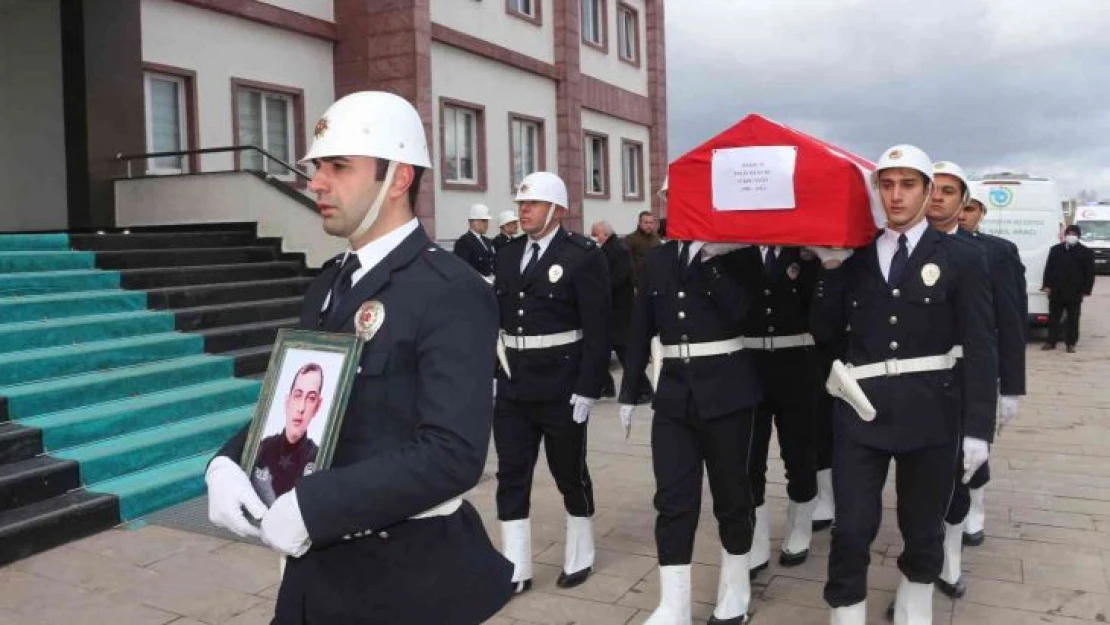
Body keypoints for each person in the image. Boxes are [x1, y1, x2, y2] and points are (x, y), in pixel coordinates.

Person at [204, 90, 512, 625]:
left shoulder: (450, 289)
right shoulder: (327, 286)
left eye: (338, 167)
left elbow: (453, 453)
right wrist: (231, 461)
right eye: (317, 166)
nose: (316, 182)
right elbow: (300, 405)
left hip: (402, 581)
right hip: (314, 581)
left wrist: (315, 506)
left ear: (398, 178)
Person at [809, 144, 997, 625]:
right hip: (860, 411)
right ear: (877, 190)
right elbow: (824, 331)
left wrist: (978, 429)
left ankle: (915, 604)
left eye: (908, 184)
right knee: (851, 527)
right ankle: (846, 611)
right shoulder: (854, 257)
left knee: (922, 524)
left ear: (929, 191)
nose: (896, 196)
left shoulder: (961, 258)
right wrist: (829, 271)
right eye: (887, 184)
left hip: (931, 411)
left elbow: (980, 344)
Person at [617, 232, 761, 624]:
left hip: (726, 392)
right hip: (675, 393)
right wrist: (629, 389)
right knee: (672, 500)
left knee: (732, 496)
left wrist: (713, 262)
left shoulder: (738, 252)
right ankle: (674, 604)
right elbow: (640, 326)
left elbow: (743, 312)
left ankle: (734, 595)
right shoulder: (660, 258)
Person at [492, 171, 611, 595]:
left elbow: (598, 328)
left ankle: (581, 552)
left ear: (557, 210)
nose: (524, 210)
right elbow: (499, 319)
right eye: (522, 203)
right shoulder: (505, 253)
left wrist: (587, 387)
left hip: (562, 384)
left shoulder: (582, 254)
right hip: (513, 385)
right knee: (511, 474)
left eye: (533, 204)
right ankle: (516, 566)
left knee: (569, 472)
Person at [923, 162, 1026, 600]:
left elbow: (1010, 320)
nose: (938, 199)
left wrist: (1012, 386)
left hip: (967, 378)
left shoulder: (992, 252)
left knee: (961, 476)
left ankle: (949, 560)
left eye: (949, 191)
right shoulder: (900, 247)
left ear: (965, 201)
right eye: (934, 189)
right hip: (917, 384)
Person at [737, 244, 822, 575]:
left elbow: (819, 304)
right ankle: (756, 537)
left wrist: (813, 258)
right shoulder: (735, 252)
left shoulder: (801, 251)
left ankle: (800, 525)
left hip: (797, 366)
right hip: (749, 366)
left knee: (800, 454)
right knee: (749, 458)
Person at [591, 220, 651, 401]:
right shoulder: (609, 249)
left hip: (620, 312)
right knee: (600, 350)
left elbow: (617, 278)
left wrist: (598, 290)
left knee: (625, 353)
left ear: (605, 234)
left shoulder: (618, 250)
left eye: (596, 234)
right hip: (611, 311)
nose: (595, 238)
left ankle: (645, 390)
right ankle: (605, 386)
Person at [252, 363, 325, 506]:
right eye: (297, 395)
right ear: (287, 401)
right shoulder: (262, 448)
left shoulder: (319, 457)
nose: (301, 408)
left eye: (311, 398)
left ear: (317, 406)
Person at [1042, 224, 1095, 353]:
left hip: (1075, 292)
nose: (1071, 236)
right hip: (1057, 290)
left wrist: (1086, 290)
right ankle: (1051, 341)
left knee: (1073, 319)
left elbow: (1090, 273)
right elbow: (1049, 269)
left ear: (1078, 236)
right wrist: (1047, 285)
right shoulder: (1055, 250)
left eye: (1074, 234)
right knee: (1054, 318)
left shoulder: (1086, 252)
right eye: (1069, 234)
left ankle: (1070, 343)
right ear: (1065, 235)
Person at [453, 203, 496, 281]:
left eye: (487, 221)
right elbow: (464, 270)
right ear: (473, 221)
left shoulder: (487, 241)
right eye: (483, 221)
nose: (486, 224)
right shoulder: (463, 242)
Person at [625, 210, 663, 288]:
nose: (649, 225)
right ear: (639, 223)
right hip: (638, 282)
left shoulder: (656, 238)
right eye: (646, 222)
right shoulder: (630, 239)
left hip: (655, 280)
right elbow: (626, 263)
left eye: (651, 222)